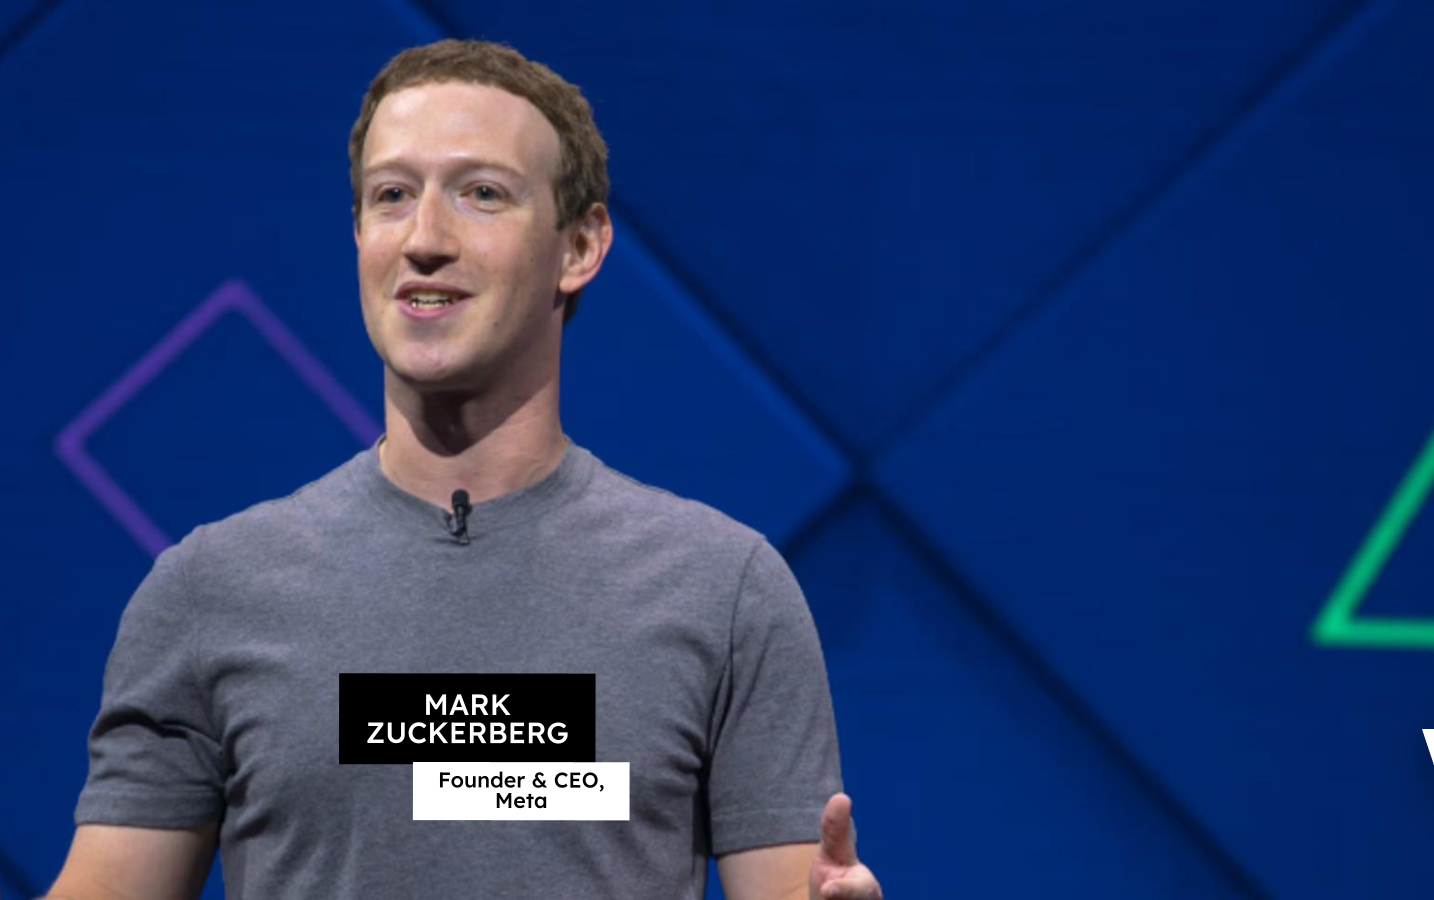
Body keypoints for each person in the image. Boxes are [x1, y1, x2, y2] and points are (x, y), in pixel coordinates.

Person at [46, 39, 882, 900]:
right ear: (359, 235)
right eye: (392, 196)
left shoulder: (723, 590)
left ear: (580, 246)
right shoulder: (208, 592)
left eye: (481, 194)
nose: (425, 240)